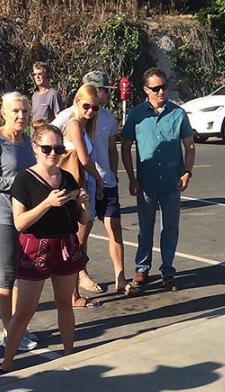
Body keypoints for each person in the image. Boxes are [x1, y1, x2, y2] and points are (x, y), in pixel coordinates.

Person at [0, 123, 92, 376]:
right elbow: (19, 222)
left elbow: (82, 220)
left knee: (65, 304)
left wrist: (84, 205)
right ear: (35, 148)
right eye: (47, 148)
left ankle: (69, 355)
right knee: (26, 310)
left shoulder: (67, 177)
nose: (53, 153)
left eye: (58, 148)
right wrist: (47, 203)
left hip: (65, 245)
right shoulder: (24, 179)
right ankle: (7, 363)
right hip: (35, 247)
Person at [53, 71, 133, 295]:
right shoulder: (70, 117)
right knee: (82, 232)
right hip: (85, 182)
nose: (106, 94)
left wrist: (112, 176)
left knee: (114, 227)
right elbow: (46, 135)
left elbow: (110, 148)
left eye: (107, 90)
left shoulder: (102, 117)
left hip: (105, 182)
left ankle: (120, 277)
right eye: (103, 89)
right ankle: (81, 276)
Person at [120, 68, 196, 291]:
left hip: (172, 182)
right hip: (146, 183)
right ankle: (142, 268)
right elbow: (125, 147)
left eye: (164, 86)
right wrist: (132, 178)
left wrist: (187, 172)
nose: (161, 91)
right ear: (146, 90)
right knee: (145, 228)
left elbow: (190, 146)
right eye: (156, 88)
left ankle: (168, 271)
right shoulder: (136, 115)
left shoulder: (178, 114)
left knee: (170, 228)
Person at [0, 91, 40, 351]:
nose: (21, 116)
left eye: (25, 111)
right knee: (7, 274)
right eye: (15, 111)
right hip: (2, 216)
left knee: (24, 274)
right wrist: (17, 183)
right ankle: (8, 332)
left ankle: (17, 326)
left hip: (25, 217)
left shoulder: (27, 142)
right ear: (3, 113)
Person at [53, 83, 106, 307]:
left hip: (85, 187)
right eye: (86, 106)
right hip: (79, 188)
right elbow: (84, 160)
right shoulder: (74, 124)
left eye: (95, 108)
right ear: (76, 102)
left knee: (79, 242)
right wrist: (101, 179)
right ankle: (73, 295)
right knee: (77, 242)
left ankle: (73, 292)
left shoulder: (85, 126)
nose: (90, 112)